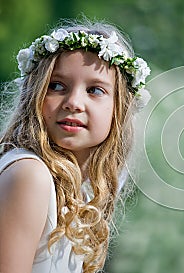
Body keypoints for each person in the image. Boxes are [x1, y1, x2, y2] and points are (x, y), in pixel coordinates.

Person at [0, 18, 151, 273]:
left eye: (94, 90)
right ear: (34, 96)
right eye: (57, 86)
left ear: (119, 110)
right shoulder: (29, 175)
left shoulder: (74, 191)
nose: (73, 102)